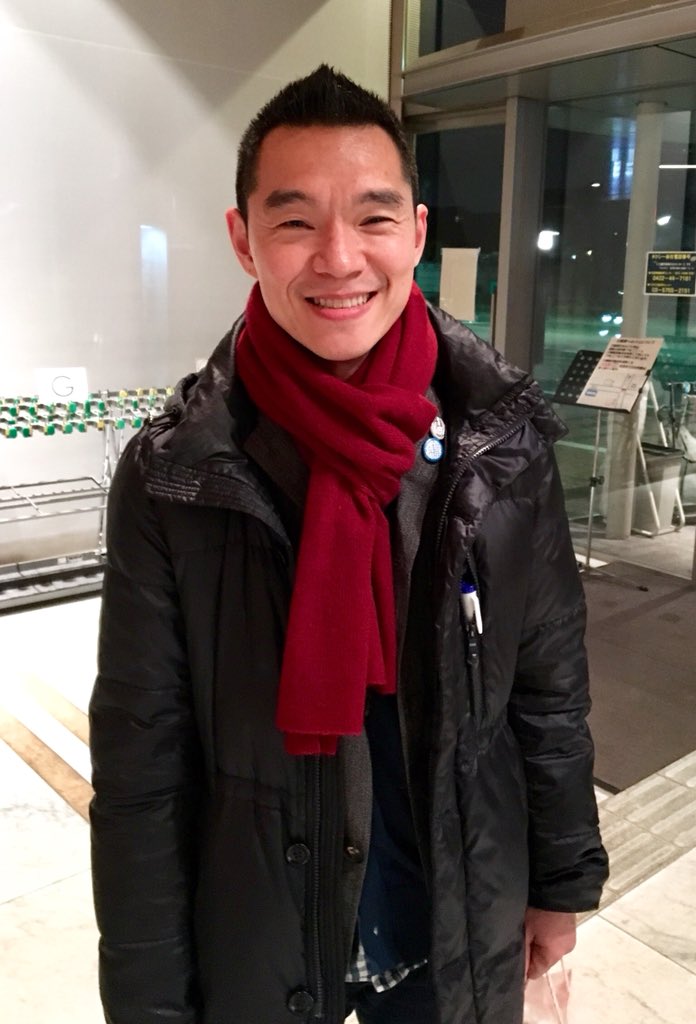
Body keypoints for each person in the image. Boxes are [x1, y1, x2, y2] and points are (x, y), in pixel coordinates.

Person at [89, 65, 608, 1024]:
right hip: (264, 942)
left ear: (416, 232)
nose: (339, 257)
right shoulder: (180, 473)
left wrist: (561, 880)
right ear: (243, 239)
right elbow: (142, 768)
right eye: (295, 221)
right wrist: (149, 1000)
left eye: (373, 218)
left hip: (455, 921)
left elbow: (547, 687)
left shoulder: (499, 441)